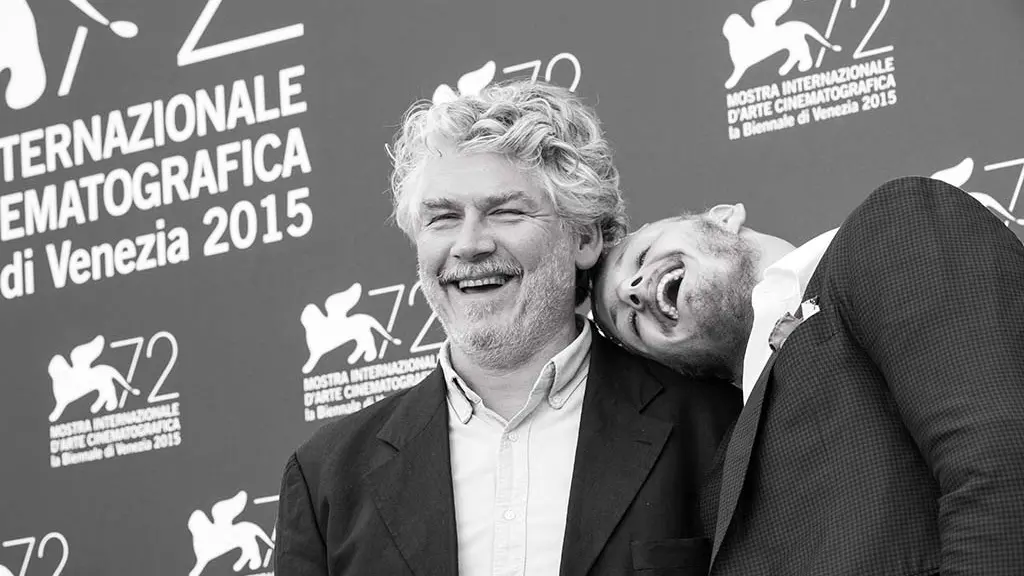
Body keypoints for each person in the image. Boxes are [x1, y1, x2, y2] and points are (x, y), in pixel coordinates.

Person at [273, 80, 740, 575]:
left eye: (506, 212)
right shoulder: (326, 476)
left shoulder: (716, 427)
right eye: (443, 218)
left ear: (583, 238)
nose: (469, 244)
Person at [591, 175, 1024, 575]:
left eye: (640, 256)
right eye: (629, 322)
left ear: (722, 218)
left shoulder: (892, 226)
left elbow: (1003, 466)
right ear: (672, 364)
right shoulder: (719, 482)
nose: (632, 289)